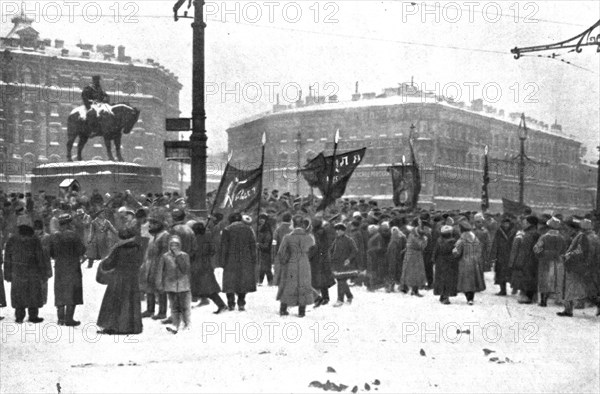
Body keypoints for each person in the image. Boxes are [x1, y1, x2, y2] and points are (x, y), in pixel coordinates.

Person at [4, 215, 51, 323]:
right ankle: (33, 315)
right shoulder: (34, 239)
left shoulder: (12, 239)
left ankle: (19, 316)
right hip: (32, 272)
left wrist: (7, 273)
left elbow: (7, 258)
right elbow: (40, 257)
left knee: (19, 293)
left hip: (17, 272)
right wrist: (43, 273)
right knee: (33, 293)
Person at [96, 227, 144, 335]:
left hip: (118, 278)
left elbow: (109, 264)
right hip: (132, 278)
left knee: (115, 301)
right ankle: (132, 327)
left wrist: (103, 262)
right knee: (131, 302)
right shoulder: (138, 248)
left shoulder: (118, 249)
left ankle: (114, 326)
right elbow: (140, 262)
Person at [49, 214, 86, 326]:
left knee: (60, 291)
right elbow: (82, 250)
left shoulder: (55, 236)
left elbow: (51, 253)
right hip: (73, 267)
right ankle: (69, 319)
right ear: (69, 223)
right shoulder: (74, 235)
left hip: (60, 267)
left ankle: (60, 318)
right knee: (72, 291)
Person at [558, 219, 600, 317]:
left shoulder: (583, 236)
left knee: (570, 287)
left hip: (577, 266)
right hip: (589, 266)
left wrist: (568, 255)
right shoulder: (595, 237)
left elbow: (579, 251)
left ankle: (568, 310)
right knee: (585, 288)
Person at [277, 216, 315, 317]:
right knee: (304, 284)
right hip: (304, 262)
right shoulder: (309, 237)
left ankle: (283, 309)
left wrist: (284, 261)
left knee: (289, 284)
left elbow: (281, 252)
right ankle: (301, 311)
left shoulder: (288, 237)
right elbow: (313, 250)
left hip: (292, 262)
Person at [220, 212, 257, 311]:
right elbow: (253, 245)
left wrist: (222, 261)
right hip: (245, 259)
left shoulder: (227, 230)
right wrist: (254, 259)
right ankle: (241, 302)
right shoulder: (248, 230)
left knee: (230, 282)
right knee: (243, 281)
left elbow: (224, 247)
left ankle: (231, 303)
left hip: (230, 260)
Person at [156, 235, 192, 333]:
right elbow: (160, 270)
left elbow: (185, 270)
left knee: (184, 306)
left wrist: (178, 257)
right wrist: (159, 283)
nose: (174, 247)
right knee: (174, 306)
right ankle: (175, 324)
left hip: (183, 284)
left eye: (176, 245)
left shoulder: (184, 255)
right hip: (170, 285)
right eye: (172, 245)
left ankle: (187, 323)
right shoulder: (165, 256)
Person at [190, 221, 227, 314]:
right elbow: (213, 250)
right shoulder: (207, 238)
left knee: (206, 289)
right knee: (208, 288)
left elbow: (192, 252)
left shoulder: (195, 240)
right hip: (206, 265)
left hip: (197, 266)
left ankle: (221, 305)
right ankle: (220, 304)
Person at [139, 214, 170, 320]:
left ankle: (162, 312)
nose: (150, 225)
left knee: (160, 287)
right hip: (150, 264)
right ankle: (150, 310)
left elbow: (165, 252)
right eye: (150, 223)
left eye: (153, 223)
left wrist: (161, 266)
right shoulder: (153, 236)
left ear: (159, 224)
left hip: (160, 264)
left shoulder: (165, 235)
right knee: (149, 286)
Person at [533, 217, 565, 307]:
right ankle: (558, 299)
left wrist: (540, 255)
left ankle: (543, 301)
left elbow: (536, 249)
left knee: (544, 280)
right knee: (556, 280)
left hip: (544, 261)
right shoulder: (561, 238)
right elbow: (564, 250)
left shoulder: (544, 237)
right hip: (557, 262)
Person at [453, 220, 486, 305]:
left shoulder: (461, 239)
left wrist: (454, 252)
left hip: (464, 262)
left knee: (466, 281)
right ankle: (471, 298)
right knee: (473, 281)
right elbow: (480, 250)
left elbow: (456, 252)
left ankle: (468, 298)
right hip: (475, 262)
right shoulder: (475, 238)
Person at [510, 215, 540, 304]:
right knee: (533, 278)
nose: (523, 224)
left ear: (530, 224)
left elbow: (524, 250)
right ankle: (532, 296)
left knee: (526, 278)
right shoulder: (537, 234)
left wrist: (519, 262)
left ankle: (527, 297)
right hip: (535, 260)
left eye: (525, 223)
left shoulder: (528, 235)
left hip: (527, 261)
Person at [329, 223, 358, 307]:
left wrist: (349, 259)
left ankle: (340, 300)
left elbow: (355, 250)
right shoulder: (336, 239)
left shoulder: (349, 240)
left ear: (343, 231)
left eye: (339, 230)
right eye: (336, 230)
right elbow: (331, 249)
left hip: (344, 264)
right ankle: (349, 296)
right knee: (341, 281)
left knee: (341, 281)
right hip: (336, 263)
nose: (337, 231)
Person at [309, 218, 336, 307]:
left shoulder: (315, 234)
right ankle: (325, 297)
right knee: (323, 279)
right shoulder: (324, 232)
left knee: (316, 279)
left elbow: (315, 247)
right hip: (324, 258)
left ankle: (318, 298)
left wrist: (309, 256)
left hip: (317, 259)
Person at [400, 219, 428, 297]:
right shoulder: (415, 234)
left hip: (411, 254)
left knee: (409, 271)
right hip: (415, 254)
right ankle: (414, 290)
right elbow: (421, 245)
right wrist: (425, 240)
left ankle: (407, 288)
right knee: (415, 272)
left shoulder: (412, 233)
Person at [490, 216, 517, 296]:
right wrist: (493, 255)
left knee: (512, 273)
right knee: (500, 273)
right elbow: (495, 243)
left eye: (507, 223)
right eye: (504, 223)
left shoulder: (514, 232)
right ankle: (503, 290)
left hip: (511, 255)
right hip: (501, 256)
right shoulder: (499, 231)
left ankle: (515, 288)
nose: (506, 225)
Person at [432, 225, 458, 304]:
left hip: (440, 262)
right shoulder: (453, 241)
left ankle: (442, 295)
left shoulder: (439, 240)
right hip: (450, 262)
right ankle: (446, 297)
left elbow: (435, 251)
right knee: (448, 280)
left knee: (441, 279)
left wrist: (433, 259)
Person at [387, 226, 406, 292]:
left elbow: (392, 251)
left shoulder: (394, 241)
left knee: (392, 272)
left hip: (394, 259)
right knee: (398, 272)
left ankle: (391, 287)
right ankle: (400, 286)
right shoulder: (402, 237)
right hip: (399, 258)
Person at [256, 213, 274, 286]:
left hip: (266, 251)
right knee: (263, 266)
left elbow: (267, 242)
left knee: (265, 267)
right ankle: (262, 280)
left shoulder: (266, 229)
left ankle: (269, 281)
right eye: (260, 219)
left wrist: (259, 245)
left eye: (263, 219)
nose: (261, 220)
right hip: (261, 250)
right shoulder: (260, 228)